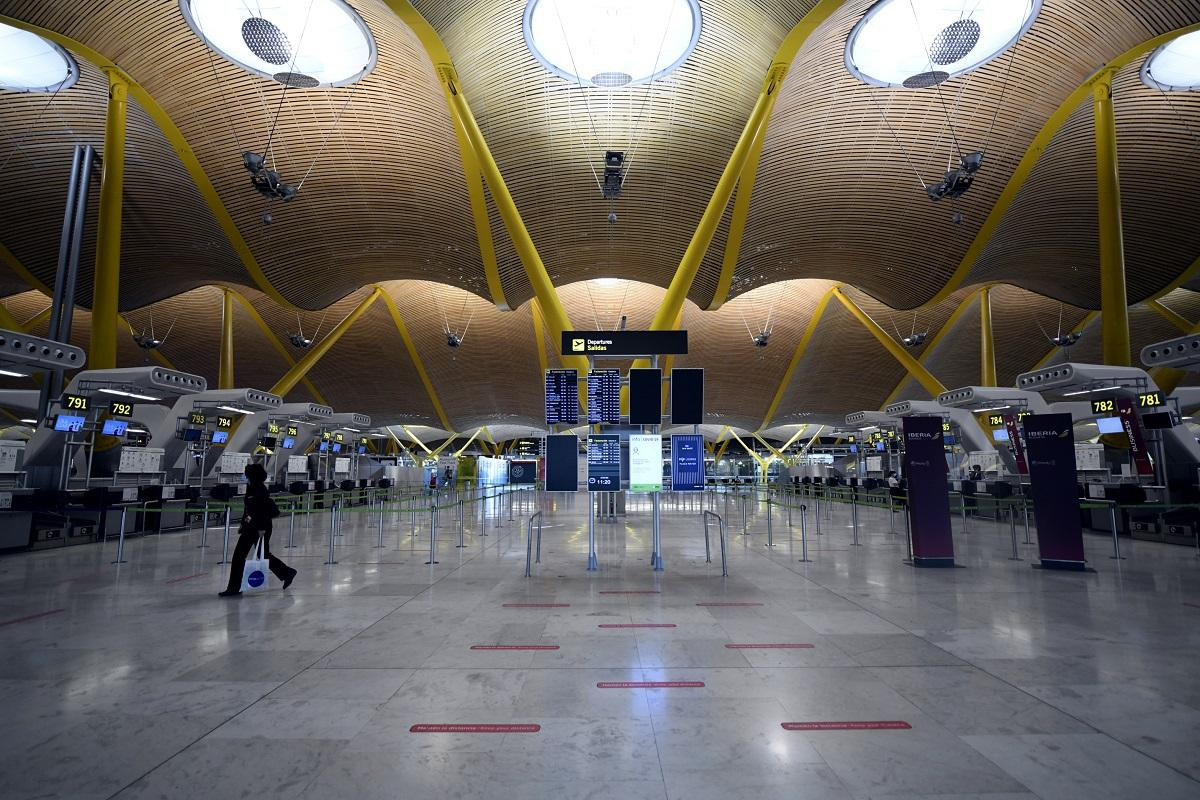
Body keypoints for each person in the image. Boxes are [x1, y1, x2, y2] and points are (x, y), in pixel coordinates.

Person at [219, 463, 296, 597]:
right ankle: (286, 572)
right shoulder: (252, 488)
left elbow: (262, 511)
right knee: (252, 555)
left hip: (260, 528)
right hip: (251, 527)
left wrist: (261, 529)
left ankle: (234, 588)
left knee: (246, 556)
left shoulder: (259, 489)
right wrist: (243, 525)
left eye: (247, 474)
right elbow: (249, 510)